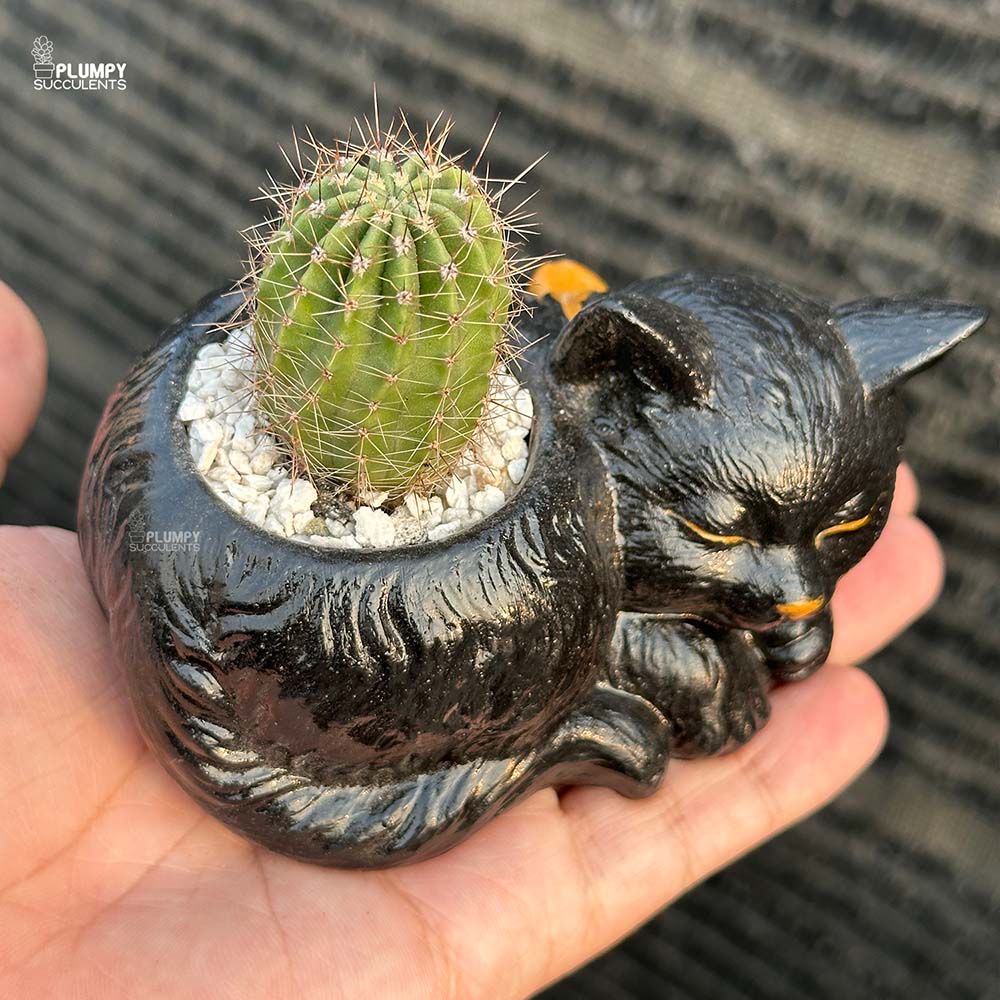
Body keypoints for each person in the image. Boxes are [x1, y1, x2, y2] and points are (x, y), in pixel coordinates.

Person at [0, 280, 944, 998]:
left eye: (833, 536)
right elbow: (710, 700)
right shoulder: (576, 490)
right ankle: (518, 727)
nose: (794, 589)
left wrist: (773, 607)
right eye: (723, 536)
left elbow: (770, 589)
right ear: (608, 385)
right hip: (264, 632)